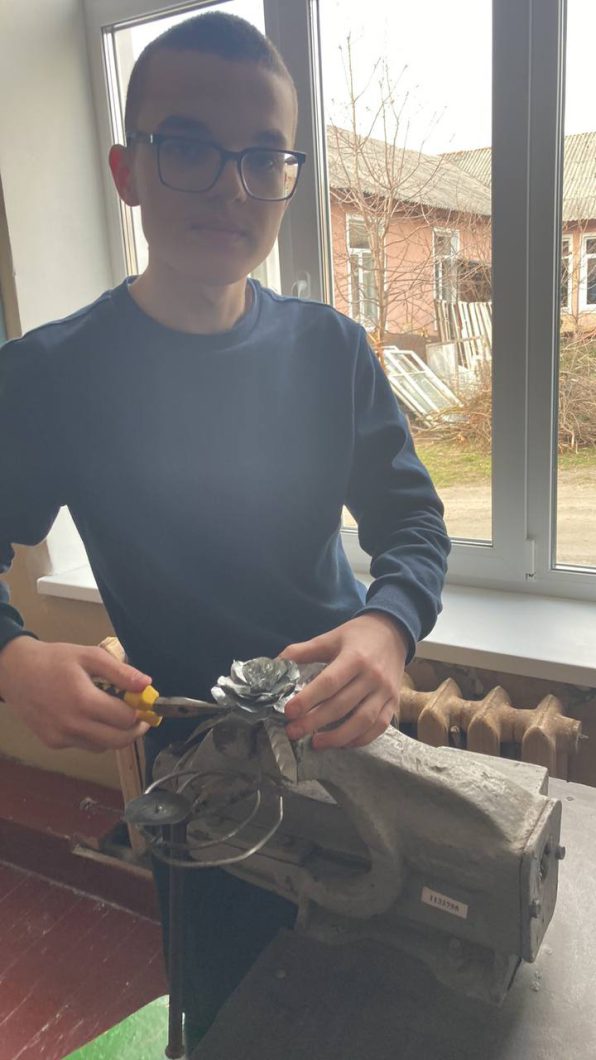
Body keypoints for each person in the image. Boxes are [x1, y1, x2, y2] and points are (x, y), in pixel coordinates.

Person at [0, 10, 450, 1049]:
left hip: (350, 747)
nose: (231, 189)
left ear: (289, 178)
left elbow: (414, 523)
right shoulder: (48, 377)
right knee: (232, 1016)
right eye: (190, 148)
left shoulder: (332, 350)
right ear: (127, 170)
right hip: (200, 789)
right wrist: (14, 659)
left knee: (389, 1002)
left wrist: (388, 626)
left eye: (263, 157)